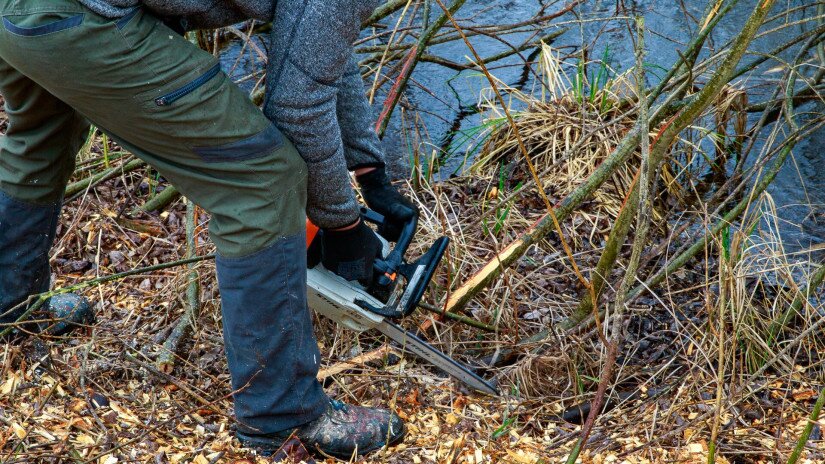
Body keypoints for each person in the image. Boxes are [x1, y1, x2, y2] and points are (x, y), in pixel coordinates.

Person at [0, 0, 418, 458]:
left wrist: (366, 168)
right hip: (81, 17)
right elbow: (297, 107)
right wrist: (342, 223)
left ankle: (12, 304)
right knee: (262, 181)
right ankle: (282, 415)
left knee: (39, 136)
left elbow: (321, 47)